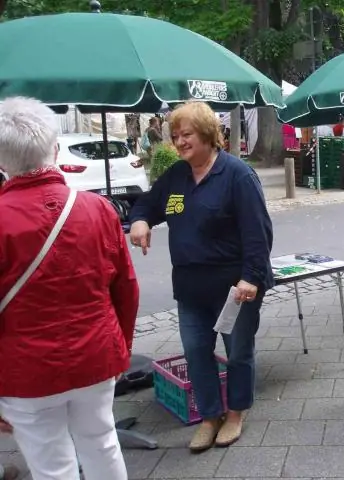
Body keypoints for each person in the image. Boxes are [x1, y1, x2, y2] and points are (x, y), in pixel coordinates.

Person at [0, 97, 138, 480]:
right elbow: (125, 288)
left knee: (51, 466)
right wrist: (121, 348)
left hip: (24, 371)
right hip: (96, 356)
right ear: (55, 149)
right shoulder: (99, 210)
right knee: (103, 443)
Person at [129, 101, 274, 452]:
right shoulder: (177, 176)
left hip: (233, 289)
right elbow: (148, 203)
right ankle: (210, 416)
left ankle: (236, 412)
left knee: (238, 352)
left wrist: (251, 278)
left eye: (186, 134)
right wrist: (140, 220)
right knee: (196, 352)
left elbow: (259, 233)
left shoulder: (237, 175)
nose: (179, 142)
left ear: (208, 135)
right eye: (175, 135)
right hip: (191, 289)